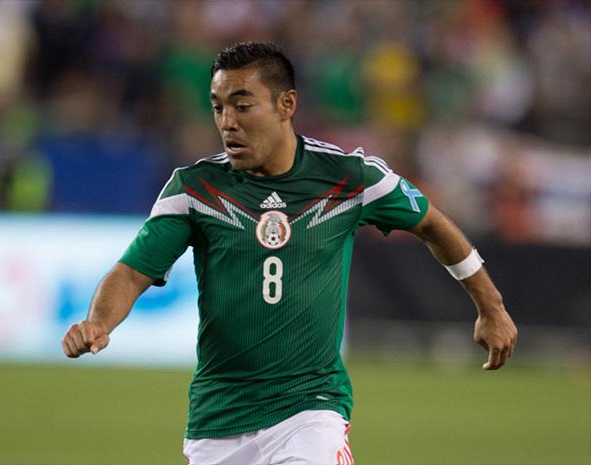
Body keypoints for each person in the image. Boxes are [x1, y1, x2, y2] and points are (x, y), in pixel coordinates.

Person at [62, 42, 517, 465]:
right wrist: (98, 322)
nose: (227, 122)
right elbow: (132, 272)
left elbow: (431, 223)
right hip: (217, 420)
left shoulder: (349, 178)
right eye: (218, 107)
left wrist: (491, 307)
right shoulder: (194, 190)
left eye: (242, 105)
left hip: (310, 411)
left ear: (287, 105)